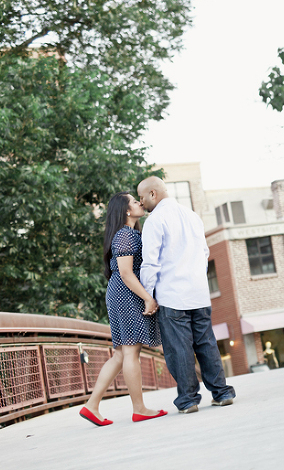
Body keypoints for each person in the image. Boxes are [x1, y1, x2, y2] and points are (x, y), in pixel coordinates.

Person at [137, 176, 235, 413]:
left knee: (178, 348)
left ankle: (189, 400)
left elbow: (150, 263)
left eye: (141, 197)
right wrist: (197, 280)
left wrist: (148, 296)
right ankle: (221, 393)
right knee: (206, 343)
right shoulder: (192, 215)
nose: (141, 203)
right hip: (198, 293)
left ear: (153, 194)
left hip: (172, 295)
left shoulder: (155, 220)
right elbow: (204, 252)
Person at [79, 192, 168, 427]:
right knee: (130, 353)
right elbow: (126, 273)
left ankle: (91, 406)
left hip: (122, 293)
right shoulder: (125, 235)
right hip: (126, 294)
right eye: (134, 201)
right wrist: (148, 298)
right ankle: (139, 409)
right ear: (126, 210)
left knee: (121, 353)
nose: (139, 202)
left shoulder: (128, 233)